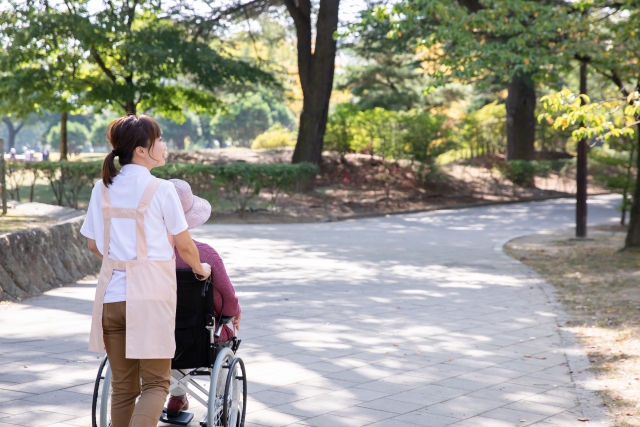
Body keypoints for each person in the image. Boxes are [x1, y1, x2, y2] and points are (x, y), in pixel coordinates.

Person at [80, 115, 212, 427]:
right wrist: (201, 269)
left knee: (123, 388)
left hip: (112, 298)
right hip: (151, 298)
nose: (164, 146)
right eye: (159, 140)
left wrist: (121, 257)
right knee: (155, 385)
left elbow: (94, 245)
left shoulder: (102, 188)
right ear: (141, 150)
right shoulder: (162, 189)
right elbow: (185, 245)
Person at [166, 179, 242, 417]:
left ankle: (177, 397)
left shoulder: (145, 253)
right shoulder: (206, 254)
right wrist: (234, 313)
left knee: (173, 331)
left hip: (157, 328)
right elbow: (228, 299)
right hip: (199, 334)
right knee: (211, 333)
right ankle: (218, 401)